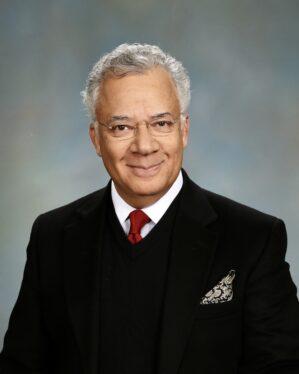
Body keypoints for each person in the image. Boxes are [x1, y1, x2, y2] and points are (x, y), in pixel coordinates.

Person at [0, 43, 299, 374]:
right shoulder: (52, 236)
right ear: (95, 139)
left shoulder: (253, 239)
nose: (144, 146)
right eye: (121, 127)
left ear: (183, 130)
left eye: (161, 123)